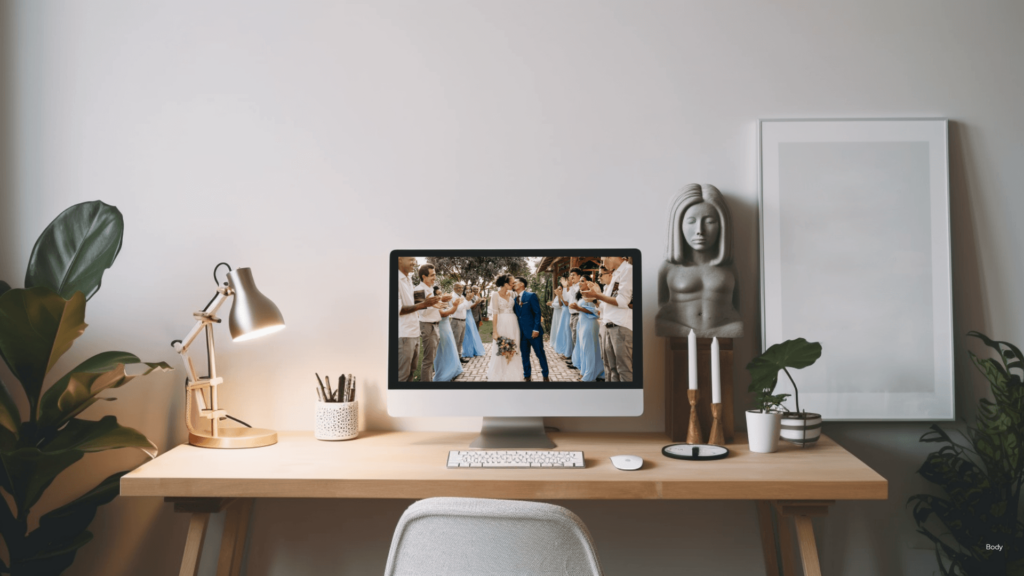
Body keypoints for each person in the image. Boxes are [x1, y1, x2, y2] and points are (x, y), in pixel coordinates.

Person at [655, 183, 743, 338]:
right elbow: (661, 304)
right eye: (691, 221)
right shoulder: (669, 267)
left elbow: (737, 305)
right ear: (678, 225)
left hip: (725, 331)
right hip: (678, 332)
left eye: (709, 221)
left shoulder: (728, 267)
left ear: (722, 225)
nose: (699, 231)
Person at [582, 256, 633, 382]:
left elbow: (622, 301)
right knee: (611, 368)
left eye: (603, 258)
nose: (602, 262)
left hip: (620, 325)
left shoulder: (628, 270)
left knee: (624, 369)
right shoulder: (617, 273)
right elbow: (606, 306)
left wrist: (596, 295)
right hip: (609, 324)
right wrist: (596, 297)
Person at [397, 256, 440, 381]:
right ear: (399, 259)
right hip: (405, 333)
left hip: (414, 332)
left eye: (415, 260)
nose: (414, 263)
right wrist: (425, 304)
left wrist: (431, 303)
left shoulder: (408, 279)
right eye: (411, 259)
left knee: (411, 372)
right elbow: (399, 309)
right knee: (402, 375)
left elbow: (416, 307)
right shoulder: (396, 280)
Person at [416, 263, 451, 382]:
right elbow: (422, 312)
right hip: (427, 326)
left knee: (432, 358)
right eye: (432, 275)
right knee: (428, 360)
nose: (435, 278)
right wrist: (436, 303)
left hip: (435, 326)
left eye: (435, 275)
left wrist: (440, 301)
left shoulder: (430, 289)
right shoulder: (419, 290)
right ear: (423, 277)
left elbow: (433, 306)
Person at [486, 274, 525, 381]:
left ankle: (512, 372)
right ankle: (501, 373)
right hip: (502, 323)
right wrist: (494, 331)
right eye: (512, 283)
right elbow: (495, 313)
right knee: (502, 347)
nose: (513, 285)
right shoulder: (495, 295)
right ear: (505, 283)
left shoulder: (512, 294)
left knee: (513, 347)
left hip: (513, 324)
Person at [512, 276, 550, 382]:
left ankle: (545, 375)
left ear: (522, 285)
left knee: (540, 354)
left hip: (534, 332)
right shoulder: (515, 299)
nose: (513, 284)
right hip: (522, 333)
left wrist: (536, 329)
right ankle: (527, 376)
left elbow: (537, 313)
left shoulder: (531, 295)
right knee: (524, 355)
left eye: (515, 282)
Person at [568, 280, 605, 382]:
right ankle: (585, 372)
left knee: (589, 350)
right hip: (582, 323)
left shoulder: (591, 296)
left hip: (589, 324)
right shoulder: (582, 296)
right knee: (583, 349)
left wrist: (578, 308)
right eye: (579, 281)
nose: (580, 283)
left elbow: (595, 311)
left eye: (582, 281)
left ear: (588, 283)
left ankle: (589, 375)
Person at [433, 286, 465, 382]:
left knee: (450, 348)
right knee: (443, 350)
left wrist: (455, 305)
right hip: (442, 329)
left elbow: (449, 311)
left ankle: (453, 369)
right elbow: (444, 314)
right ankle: (444, 372)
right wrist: (455, 306)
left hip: (447, 327)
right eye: (438, 294)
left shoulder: (442, 303)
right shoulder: (435, 303)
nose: (440, 295)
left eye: (441, 293)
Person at [562, 267, 583, 363]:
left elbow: (577, 298)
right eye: (571, 275)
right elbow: (566, 299)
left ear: (579, 276)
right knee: (574, 338)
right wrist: (565, 287)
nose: (571, 277)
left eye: (573, 275)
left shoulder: (580, 286)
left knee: (577, 338)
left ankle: (577, 361)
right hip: (572, 315)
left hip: (578, 314)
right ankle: (576, 360)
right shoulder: (572, 287)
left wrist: (569, 286)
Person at [449, 282, 472, 362]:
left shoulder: (462, 296)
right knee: (456, 341)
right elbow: (458, 309)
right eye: (459, 287)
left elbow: (468, 307)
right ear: (454, 288)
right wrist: (466, 301)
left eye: (462, 288)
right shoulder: (453, 296)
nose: (461, 289)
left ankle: (459, 357)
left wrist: (468, 300)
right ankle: (454, 359)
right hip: (456, 321)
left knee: (460, 341)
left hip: (463, 321)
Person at [553, 281, 574, 358]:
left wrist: (560, 295)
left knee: (568, 333)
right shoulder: (564, 294)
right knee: (563, 332)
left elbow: (566, 303)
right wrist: (559, 296)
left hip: (568, 313)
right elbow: (561, 304)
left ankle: (569, 353)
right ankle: (565, 350)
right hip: (563, 313)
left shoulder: (569, 294)